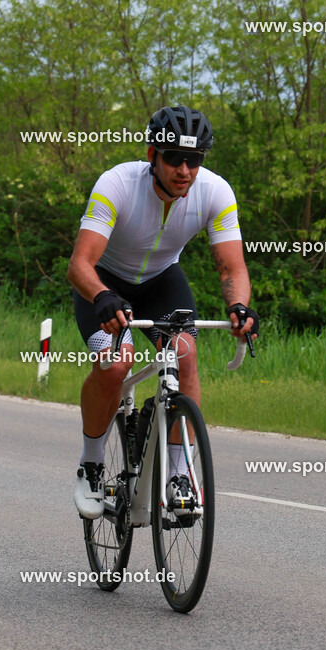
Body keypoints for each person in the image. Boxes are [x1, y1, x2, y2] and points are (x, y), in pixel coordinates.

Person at [67, 105, 259, 519]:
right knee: (116, 365)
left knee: (185, 355)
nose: (185, 170)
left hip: (161, 281)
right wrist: (102, 295)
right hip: (103, 282)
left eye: (194, 160)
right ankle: (92, 463)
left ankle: (178, 474)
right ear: (153, 155)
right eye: (174, 158)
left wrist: (239, 307)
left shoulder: (216, 192)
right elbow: (79, 265)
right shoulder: (116, 183)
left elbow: (232, 267)